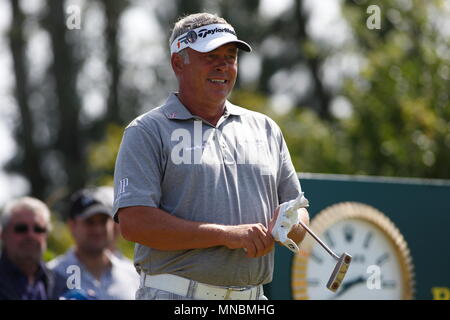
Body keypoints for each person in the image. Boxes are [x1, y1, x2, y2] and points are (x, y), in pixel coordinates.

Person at [113, 12, 310, 300]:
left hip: (252, 298)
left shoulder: (266, 128)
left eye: (230, 56)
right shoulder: (147, 131)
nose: (223, 65)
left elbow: (298, 209)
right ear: (178, 62)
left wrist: (291, 223)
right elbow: (134, 223)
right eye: (210, 55)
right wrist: (226, 235)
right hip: (176, 295)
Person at [47, 186, 139, 300]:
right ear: (72, 225)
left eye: (103, 221)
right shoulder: (51, 275)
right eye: (89, 222)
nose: (98, 229)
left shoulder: (133, 275)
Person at [0, 197, 67, 300]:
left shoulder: (61, 284)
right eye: (21, 228)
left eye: (38, 229)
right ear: (3, 234)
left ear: (46, 236)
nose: (31, 235)